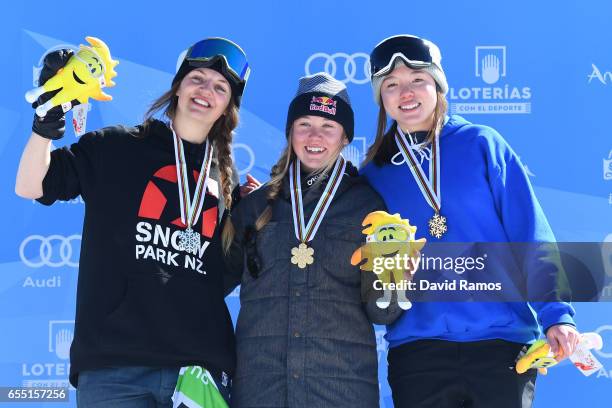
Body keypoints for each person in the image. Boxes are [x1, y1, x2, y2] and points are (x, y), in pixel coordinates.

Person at [15, 37, 251, 407]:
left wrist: (250, 220)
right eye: (197, 78)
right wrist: (45, 124)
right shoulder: (116, 147)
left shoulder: (227, 182)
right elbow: (30, 185)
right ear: (177, 87)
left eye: (220, 88)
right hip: (115, 370)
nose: (206, 90)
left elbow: (221, 275)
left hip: (198, 373)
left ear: (227, 108)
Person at [360, 34, 581, 408]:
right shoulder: (375, 172)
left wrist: (557, 314)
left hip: (500, 345)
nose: (405, 93)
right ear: (381, 97)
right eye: (392, 85)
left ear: (438, 84)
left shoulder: (482, 143)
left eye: (417, 80)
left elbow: (529, 235)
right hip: (419, 352)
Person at [224, 73, 403, 407]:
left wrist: (394, 276)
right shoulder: (254, 205)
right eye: (304, 123)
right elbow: (213, 281)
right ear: (290, 130)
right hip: (262, 391)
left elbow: (384, 312)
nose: (314, 136)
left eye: (328, 126)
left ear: (345, 136)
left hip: (340, 392)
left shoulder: (368, 207)